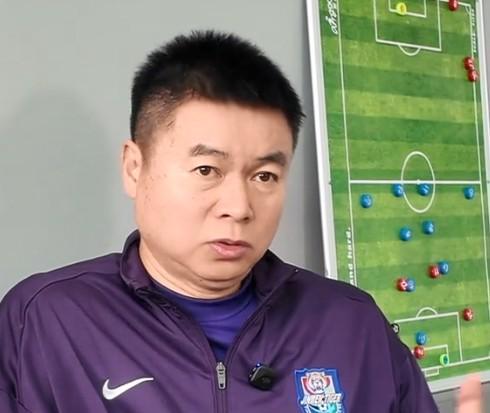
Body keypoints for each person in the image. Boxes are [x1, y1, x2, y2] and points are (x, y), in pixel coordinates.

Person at [0, 30, 482, 412]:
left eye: (264, 176)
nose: (239, 206)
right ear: (134, 167)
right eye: (207, 170)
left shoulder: (351, 323)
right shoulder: (42, 320)